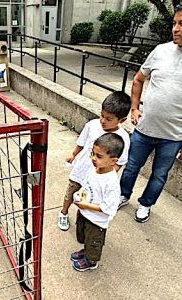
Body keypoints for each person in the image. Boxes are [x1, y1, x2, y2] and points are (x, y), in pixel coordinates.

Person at [118, 6, 182, 223]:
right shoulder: (160, 51)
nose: (175, 29)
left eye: (181, 24)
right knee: (131, 166)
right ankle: (123, 195)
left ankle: (145, 204)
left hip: (174, 137)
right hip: (145, 129)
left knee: (159, 175)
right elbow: (138, 79)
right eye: (174, 23)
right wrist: (135, 108)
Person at [58, 91, 131, 231]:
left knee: (89, 199)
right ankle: (64, 212)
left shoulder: (123, 138)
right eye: (102, 115)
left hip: (97, 180)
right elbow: (82, 142)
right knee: (71, 192)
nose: (103, 121)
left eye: (109, 119)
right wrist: (73, 154)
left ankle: (85, 220)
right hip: (81, 170)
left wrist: (105, 176)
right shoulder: (92, 125)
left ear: (121, 120)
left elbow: (120, 162)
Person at [71, 133, 124, 272]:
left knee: (94, 241)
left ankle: (91, 261)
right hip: (85, 213)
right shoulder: (94, 170)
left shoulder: (111, 183)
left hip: (97, 221)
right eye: (93, 154)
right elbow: (86, 185)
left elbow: (108, 208)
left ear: (113, 161)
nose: (93, 158)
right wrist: (79, 193)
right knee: (84, 236)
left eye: (99, 156)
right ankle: (86, 251)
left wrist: (85, 205)